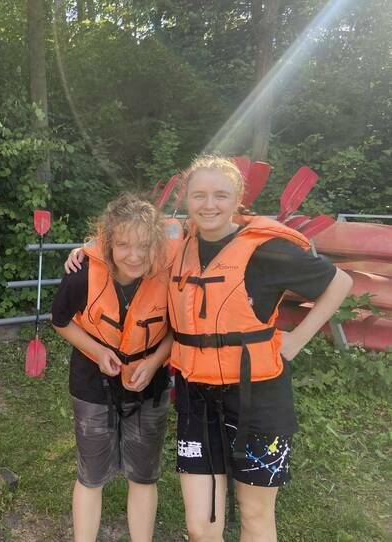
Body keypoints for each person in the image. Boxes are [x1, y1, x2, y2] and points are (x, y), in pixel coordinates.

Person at [66, 155, 352, 542]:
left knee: (254, 515)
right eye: (199, 195)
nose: (209, 204)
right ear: (186, 199)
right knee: (201, 526)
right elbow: (125, 234)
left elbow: (340, 283)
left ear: (238, 198)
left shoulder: (267, 248)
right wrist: (85, 249)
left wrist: (296, 340)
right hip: (196, 398)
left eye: (221, 195)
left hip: (258, 398)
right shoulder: (177, 239)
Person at [52, 193, 176, 542]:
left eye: (144, 246)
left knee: (143, 476)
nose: (134, 256)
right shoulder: (82, 273)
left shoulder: (170, 273)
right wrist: (97, 351)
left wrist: (154, 362)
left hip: (149, 386)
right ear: (107, 242)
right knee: (91, 476)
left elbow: (177, 331)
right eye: (123, 245)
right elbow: (60, 320)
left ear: (157, 244)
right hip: (93, 386)